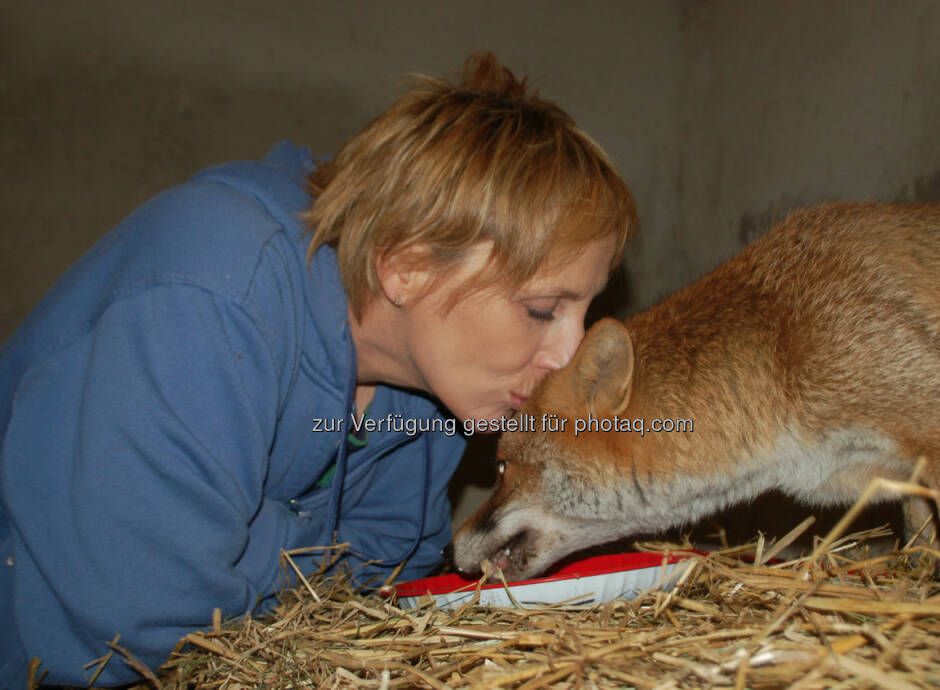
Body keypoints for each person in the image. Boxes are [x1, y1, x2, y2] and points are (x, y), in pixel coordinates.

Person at [0, 53, 636, 687]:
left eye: (583, 312)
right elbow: (148, 618)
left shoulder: (430, 394)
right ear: (406, 266)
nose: (567, 354)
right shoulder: (212, 296)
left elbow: (384, 590)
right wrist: (292, 578)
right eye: (542, 309)